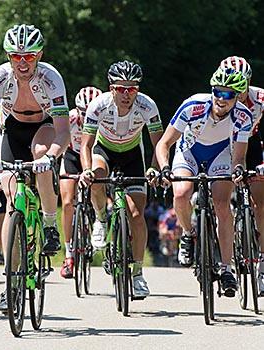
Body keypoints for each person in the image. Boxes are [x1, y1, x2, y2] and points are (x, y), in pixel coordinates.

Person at [0, 24, 70, 311]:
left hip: (43, 128)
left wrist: (53, 156)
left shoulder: (51, 78)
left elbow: (63, 130)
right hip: (13, 130)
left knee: (41, 156)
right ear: (8, 57)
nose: (22, 63)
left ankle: (50, 223)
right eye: (16, 56)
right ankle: (10, 279)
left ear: (39, 54)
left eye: (29, 57)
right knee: (10, 199)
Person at [154, 66, 251, 297]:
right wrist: (165, 168)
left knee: (222, 204)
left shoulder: (243, 116)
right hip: (189, 152)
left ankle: (227, 269)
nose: (220, 98)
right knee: (181, 193)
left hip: (221, 155)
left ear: (237, 96)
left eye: (228, 94)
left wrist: (238, 171)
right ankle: (188, 233)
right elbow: (164, 144)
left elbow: (238, 157)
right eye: (217, 91)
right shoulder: (193, 105)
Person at [80, 60, 163, 298]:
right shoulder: (98, 106)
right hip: (104, 150)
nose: (126, 94)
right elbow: (86, 144)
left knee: (136, 216)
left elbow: (158, 144)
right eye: (120, 89)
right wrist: (86, 170)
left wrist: (155, 169)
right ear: (111, 88)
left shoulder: (147, 106)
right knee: (96, 177)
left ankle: (137, 274)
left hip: (132, 155)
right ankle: (100, 218)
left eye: (132, 89)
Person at [220, 56, 264, 294]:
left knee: (261, 204)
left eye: (242, 84)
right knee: (221, 199)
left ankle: (263, 266)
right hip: (223, 144)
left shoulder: (260, 98)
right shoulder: (219, 99)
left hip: (252, 144)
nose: (236, 89)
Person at [60, 86, 102, 279]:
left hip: (94, 157)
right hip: (72, 156)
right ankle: (68, 254)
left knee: (96, 191)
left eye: (90, 113)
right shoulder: (71, 118)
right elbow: (58, 140)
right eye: (83, 113)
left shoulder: (104, 120)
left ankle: (100, 219)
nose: (86, 117)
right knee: (67, 202)